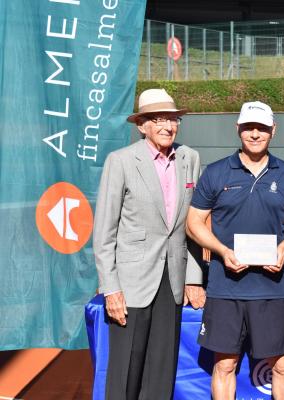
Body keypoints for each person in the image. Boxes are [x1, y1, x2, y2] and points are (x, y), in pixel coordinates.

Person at [186, 101, 284, 400]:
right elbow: (194, 223)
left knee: (282, 365)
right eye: (249, 127)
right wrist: (221, 250)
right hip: (225, 288)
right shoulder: (216, 173)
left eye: (262, 128)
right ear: (238, 129)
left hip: (272, 288)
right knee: (225, 364)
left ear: (273, 131)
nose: (255, 134)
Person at [93, 88, 205, 400]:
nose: (168, 126)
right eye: (158, 120)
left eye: (172, 119)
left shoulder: (190, 158)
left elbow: (192, 227)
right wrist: (110, 288)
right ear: (142, 126)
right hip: (130, 285)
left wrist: (194, 278)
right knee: (125, 373)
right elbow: (104, 232)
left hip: (173, 281)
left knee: (161, 372)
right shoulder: (121, 161)